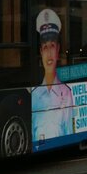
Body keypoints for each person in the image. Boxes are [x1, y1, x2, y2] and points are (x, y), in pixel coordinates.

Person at [31, 8, 74, 141]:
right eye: (45, 47)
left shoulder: (66, 94)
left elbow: (69, 134)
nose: (49, 53)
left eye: (52, 46)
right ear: (41, 52)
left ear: (58, 49)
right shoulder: (34, 96)